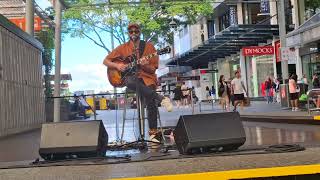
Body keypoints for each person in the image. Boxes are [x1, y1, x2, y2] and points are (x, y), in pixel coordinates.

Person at [103, 23, 173, 142]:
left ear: (140, 32)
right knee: (130, 81)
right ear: (128, 33)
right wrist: (117, 65)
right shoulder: (122, 48)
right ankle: (161, 98)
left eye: (136, 31)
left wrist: (145, 65)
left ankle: (153, 133)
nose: (134, 33)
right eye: (131, 32)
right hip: (131, 79)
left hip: (146, 77)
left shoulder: (149, 47)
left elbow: (153, 69)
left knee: (150, 96)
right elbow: (106, 61)